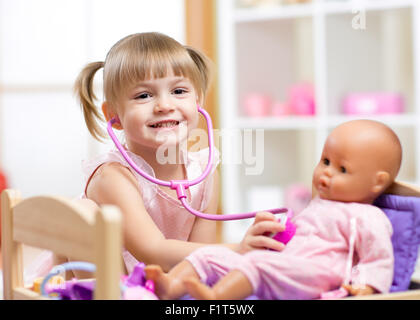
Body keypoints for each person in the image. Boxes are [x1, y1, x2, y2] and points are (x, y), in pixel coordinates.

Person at [72, 32, 285, 276]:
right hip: (108, 287)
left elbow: (200, 258)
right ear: (114, 115)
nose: (165, 105)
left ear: (198, 100)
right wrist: (237, 250)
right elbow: (152, 251)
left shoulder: (205, 174)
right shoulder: (113, 178)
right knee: (85, 214)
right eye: (144, 95)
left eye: (179, 91)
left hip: (164, 283)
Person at [145, 119, 402, 300]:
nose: (326, 173)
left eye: (342, 169)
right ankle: (172, 286)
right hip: (285, 267)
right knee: (209, 255)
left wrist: (367, 286)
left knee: (258, 264)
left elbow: (377, 257)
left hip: (319, 275)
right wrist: (274, 237)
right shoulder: (318, 206)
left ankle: (216, 297)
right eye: (325, 161)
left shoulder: (367, 216)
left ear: (377, 181)